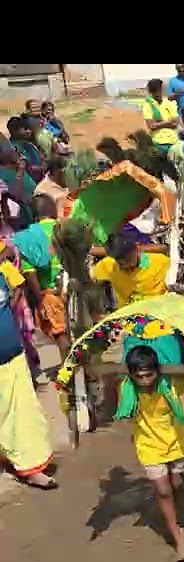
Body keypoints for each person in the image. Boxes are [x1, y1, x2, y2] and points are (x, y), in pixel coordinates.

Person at [116, 345, 184, 562]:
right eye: (139, 376)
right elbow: (127, 414)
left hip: (176, 438)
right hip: (148, 443)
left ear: (157, 371)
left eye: (149, 375)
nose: (144, 380)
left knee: (176, 484)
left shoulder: (173, 382)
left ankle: (178, 505)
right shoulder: (127, 388)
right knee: (163, 491)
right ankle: (178, 538)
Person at [0, 248, 55, 489]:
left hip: (13, 356)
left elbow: (17, 289)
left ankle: (30, 468)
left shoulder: (4, 270)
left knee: (24, 416)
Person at [9, 196, 67, 360]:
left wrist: (39, 300)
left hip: (50, 293)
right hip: (73, 287)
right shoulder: (65, 228)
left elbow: (30, 273)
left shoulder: (27, 238)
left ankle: (69, 370)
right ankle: (82, 369)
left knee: (60, 335)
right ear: (53, 210)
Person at [91, 233, 172, 306]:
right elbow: (90, 277)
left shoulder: (160, 262)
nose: (122, 261)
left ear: (136, 250)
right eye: (118, 258)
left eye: (126, 256)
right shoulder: (110, 265)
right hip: (128, 313)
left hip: (157, 310)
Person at [143, 79, 181, 156]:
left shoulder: (170, 102)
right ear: (151, 92)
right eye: (154, 91)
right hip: (158, 142)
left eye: (158, 90)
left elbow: (175, 124)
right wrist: (168, 122)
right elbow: (151, 126)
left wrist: (158, 123)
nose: (157, 93)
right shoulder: (148, 105)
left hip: (173, 142)